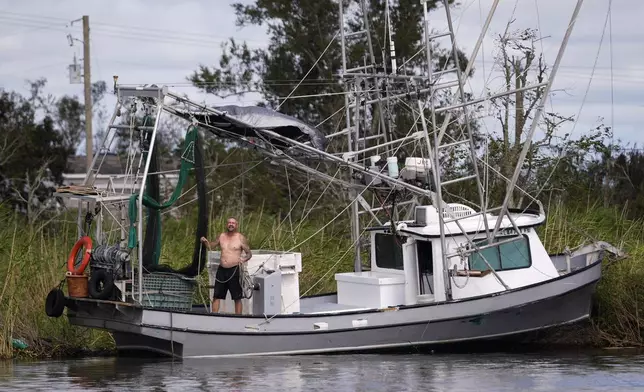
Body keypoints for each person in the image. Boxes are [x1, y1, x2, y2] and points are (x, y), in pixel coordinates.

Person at [200, 217, 252, 314]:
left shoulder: (240, 238)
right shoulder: (221, 236)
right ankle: (214, 317)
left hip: (234, 270)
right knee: (216, 295)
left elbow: (249, 254)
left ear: (236, 225)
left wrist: (244, 259)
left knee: (237, 297)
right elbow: (211, 246)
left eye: (233, 223)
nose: (231, 224)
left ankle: (238, 319)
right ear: (226, 224)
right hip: (222, 270)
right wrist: (205, 241)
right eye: (229, 223)